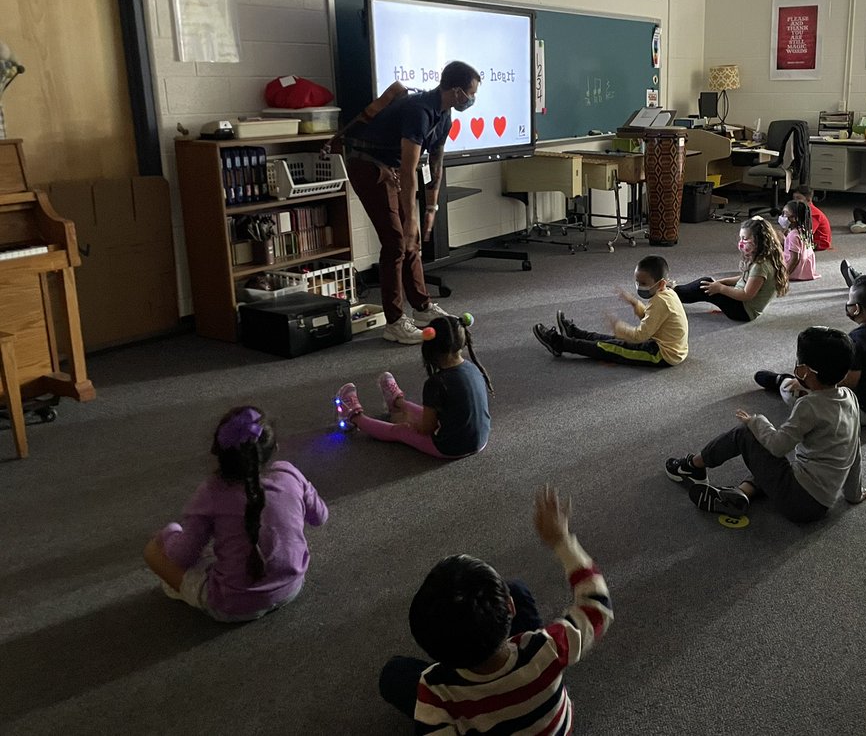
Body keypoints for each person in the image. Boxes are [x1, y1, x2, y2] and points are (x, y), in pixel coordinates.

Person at [378, 486, 612, 733]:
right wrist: (561, 541)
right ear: (510, 608)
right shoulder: (547, 649)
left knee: (392, 675)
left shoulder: (435, 688)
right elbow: (597, 606)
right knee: (517, 589)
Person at [143, 406, 328, 622]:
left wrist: (168, 533)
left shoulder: (211, 492)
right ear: (274, 448)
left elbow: (181, 556)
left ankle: (187, 591)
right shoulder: (289, 473)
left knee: (153, 552)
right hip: (291, 587)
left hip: (231, 607)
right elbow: (320, 516)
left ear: (218, 454)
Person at [339, 61, 481, 344]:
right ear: (455, 91)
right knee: (395, 240)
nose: (472, 100)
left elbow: (436, 164)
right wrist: (410, 217)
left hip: (390, 167)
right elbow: (408, 169)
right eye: (471, 93)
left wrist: (430, 209)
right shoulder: (419, 110)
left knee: (410, 238)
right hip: (367, 165)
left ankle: (422, 308)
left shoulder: (444, 116)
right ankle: (394, 322)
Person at [665, 327, 866, 523]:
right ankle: (741, 493)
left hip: (798, 500)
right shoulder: (850, 397)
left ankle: (693, 466)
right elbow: (853, 450)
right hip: (821, 504)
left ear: (804, 371)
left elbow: (778, 446)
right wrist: (854, 494)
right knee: (776, 463)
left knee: (746, 434)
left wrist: (755, 421)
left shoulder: (809, 406)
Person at [755, 275, 866, 426]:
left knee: (800, 394)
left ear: (856, 309)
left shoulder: (855, 340)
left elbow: (848, 382)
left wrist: (809, 383)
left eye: (849, 301)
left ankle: (781, 381)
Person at [336, 314, 491, 459]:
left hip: (450, 447)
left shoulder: (436, 383)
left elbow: (426, 428)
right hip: (480, 439)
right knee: (433, 411)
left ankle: (354, 417)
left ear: (429, 348)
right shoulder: (472, 367)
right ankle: (398, 403)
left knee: (401, 430)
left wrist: (411, 424)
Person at [531, 255, 688, 368]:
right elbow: (652, 318)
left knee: (610, 347)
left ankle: (558, 343)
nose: (639, 286)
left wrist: (618, 326)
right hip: (662, 343)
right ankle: (574, 333)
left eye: (644, 283)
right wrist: (635, 303)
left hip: (661, 354)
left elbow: (640, 335)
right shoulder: (666, 293)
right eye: (637, 282)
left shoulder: (660, 301)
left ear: (660, 284)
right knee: (614, 340)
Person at [673, 216, 788, 322]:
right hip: (742, 305)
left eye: (745, 239)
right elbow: (745, 278)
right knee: (709, 283)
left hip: (743, 311)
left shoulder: (760, 266)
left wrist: (721, 288)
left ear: (759, 241)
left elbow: (746, 295)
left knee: (703, 286)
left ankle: (672, 293)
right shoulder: (765, 259)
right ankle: (675, 290)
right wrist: (722, 282)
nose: (741, 243)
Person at [779, 200, 819, 282]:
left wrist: (785, 274)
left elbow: (795, 258)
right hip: (805, 270)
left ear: (794, 218)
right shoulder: (804, 230)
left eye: (785, 214)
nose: (782, 217)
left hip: (796, 271)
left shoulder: (793, 235)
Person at [794, 184, 832, 251]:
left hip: (819, 243)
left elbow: (806, 233)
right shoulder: (804, 209)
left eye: (798, 199)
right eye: (794, 199)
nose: (795, 201)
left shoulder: (813, 214)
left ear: (808, 200)